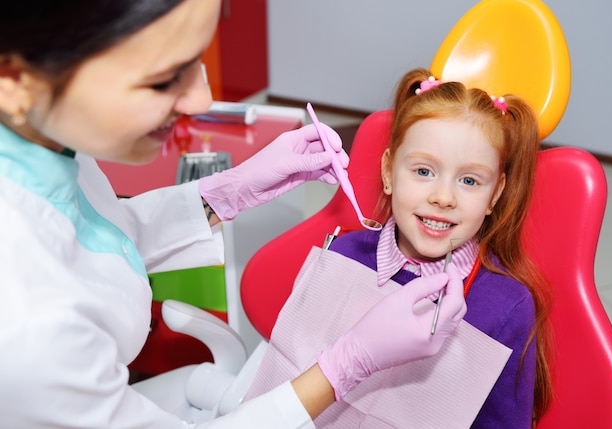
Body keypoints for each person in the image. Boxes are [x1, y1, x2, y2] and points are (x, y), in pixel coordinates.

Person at [0, 2, 467, 428]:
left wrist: (225, 193)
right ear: (16, 82)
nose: (201, 100)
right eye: (164, 79)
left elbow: (96, 235)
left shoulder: (46, 144)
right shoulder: (26, 323)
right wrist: (347, 364)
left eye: (197, 60)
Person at [246, 68, 554, 428]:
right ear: (389, 172)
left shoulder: (505, 306)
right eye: (423, 171)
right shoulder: (344, 254)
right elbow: (290, 374)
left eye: (469, 180)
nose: (443, 197)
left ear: (495, 194)